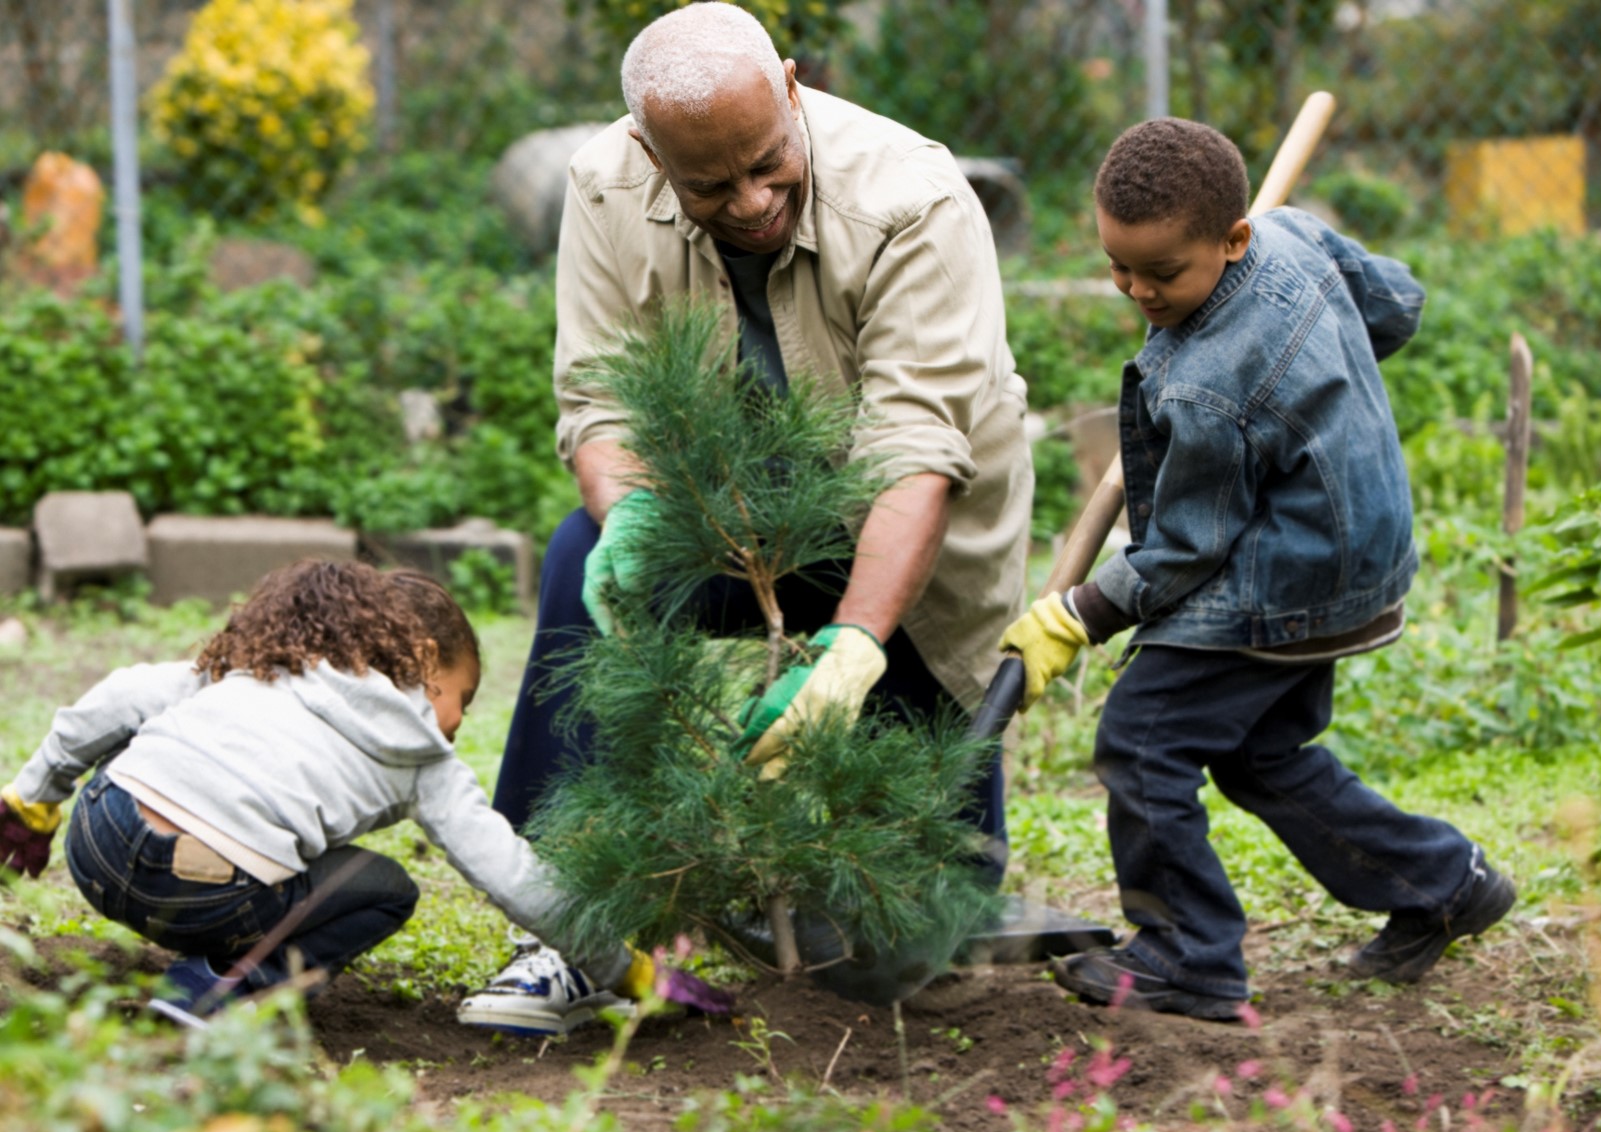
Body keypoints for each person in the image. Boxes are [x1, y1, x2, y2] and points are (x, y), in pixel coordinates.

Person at [460, 1, 1033, 1025]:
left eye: (768, 163)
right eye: (710, 185)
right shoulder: (604, 182)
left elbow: (914, 453)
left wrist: (853, 648)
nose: (753, 200)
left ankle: (898, 875)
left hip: (905, 540)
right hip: (727, 519)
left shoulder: (913, 197)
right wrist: (627, 515)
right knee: (581, 555)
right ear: (651, 152)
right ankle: (569, 924)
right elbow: (599, 397)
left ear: (791, 84)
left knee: (926, 917)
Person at [998, 118, 1515, 1021]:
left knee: (1143, 740)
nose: (1138, 290)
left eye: (1162, 273)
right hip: (1355, 556)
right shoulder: (1293, 233)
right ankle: (1443, 882)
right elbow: (1394, 304)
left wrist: (1080, 611)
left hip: (1285, 582)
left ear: (1232, 239)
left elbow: (1186, 549)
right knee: (1258, 753)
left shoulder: (1207, 384)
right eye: (1119, 267)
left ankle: (1186, 957)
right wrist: (1320, 380)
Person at [0, 560, 726, 1032]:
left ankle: (203, 942)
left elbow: (120, 695)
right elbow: (515, 877)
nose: (457, 722)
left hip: (94, 844)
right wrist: (624, 969)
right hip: (208, 892)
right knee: (386, 889)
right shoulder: (426, 759)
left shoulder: (272, 662)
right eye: (463, 696)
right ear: (425, 664)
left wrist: (34, 800)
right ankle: (218, 988)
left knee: (168, 754)